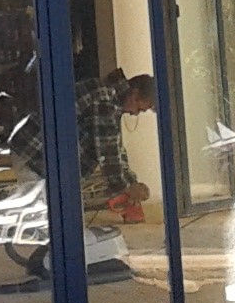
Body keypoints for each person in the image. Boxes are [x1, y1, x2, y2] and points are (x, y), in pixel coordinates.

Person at [17, 72, 158, 206]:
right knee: (40, 219)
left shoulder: (110, 97)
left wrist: (131, 182)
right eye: (139, 109)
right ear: (134, 94)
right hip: (37, 157)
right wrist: (125, 186)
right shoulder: (104, 98)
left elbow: (115, 146)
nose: (134, 113)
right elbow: (107, 151)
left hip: (40, 157)